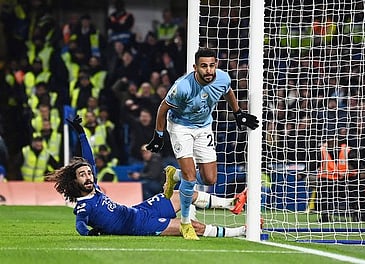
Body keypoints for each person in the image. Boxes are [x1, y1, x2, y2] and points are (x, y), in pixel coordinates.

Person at [46, 115, 247, 238]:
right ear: (75, 182)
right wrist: (89, 232)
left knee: (182, 194)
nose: (89, 176)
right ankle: (239, 231)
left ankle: (231, 203)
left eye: (89, 173)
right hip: (141, 225)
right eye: (83, 175)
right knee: (191, 226)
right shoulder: (83, 206)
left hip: (140, 210)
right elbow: (80, 225)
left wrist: (81, 133)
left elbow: (89, 158)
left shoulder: (94, 188)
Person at [146, 47, 259, 240]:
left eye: (212, 66)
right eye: (204, 66)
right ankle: (185, 223)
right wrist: (158, 135)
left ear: (216, 65)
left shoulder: (223, 78)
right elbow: (163, 108)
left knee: (209, 179)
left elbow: (228, 92)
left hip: (204, 127)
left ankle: (175, 175)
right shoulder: (182, 87)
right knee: (190, 178)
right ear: (195, 67)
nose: (208, 70)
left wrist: (238, 113)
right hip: (181, 127)